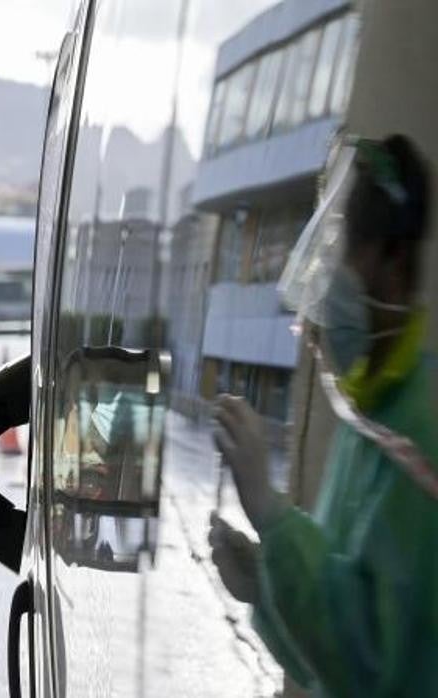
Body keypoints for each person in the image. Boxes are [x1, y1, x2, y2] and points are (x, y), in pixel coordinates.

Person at [209, 134, 435, 696]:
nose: (322, 276)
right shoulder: (372, 416)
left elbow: (372, 668)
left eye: (338, 250)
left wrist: (274, 517)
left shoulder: (421, 430)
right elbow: (330, 652)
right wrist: (266, 582)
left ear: (393, 260)